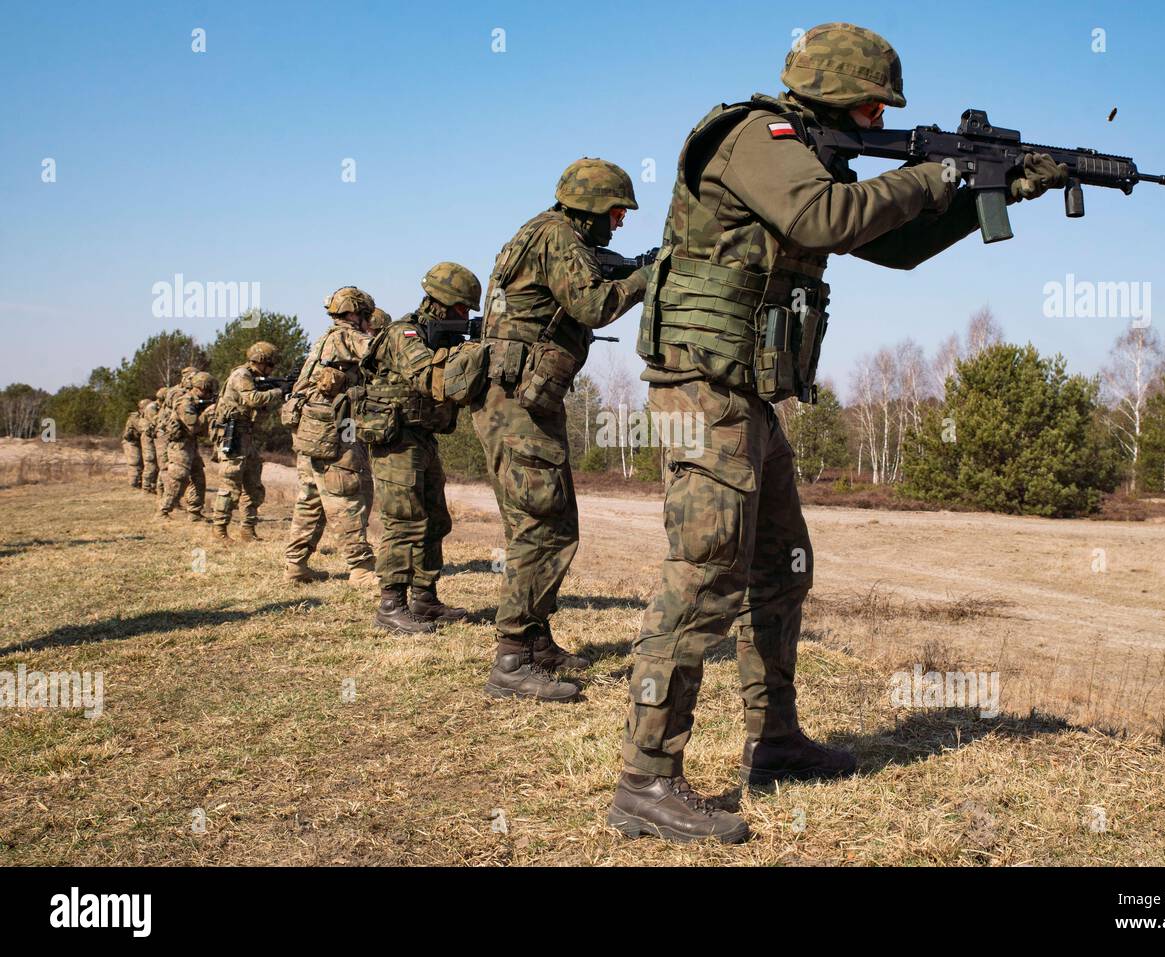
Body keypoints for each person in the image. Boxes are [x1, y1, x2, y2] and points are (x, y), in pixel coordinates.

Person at [608, 21, 1068, 843]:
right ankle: (646, 779)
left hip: (747, 395)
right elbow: (824, 219)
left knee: (783, 568)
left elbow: (889, 246)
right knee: (703, 579)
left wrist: (982, 192)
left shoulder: (812, 158)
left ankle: (773, 741)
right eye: (868, 105)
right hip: (701, 389)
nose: (873, 120)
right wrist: (936, 172)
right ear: (832, 91)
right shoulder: (757, 135)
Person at [471, 159, 650, 701]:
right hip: (519, 403)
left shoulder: (537, 231)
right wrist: (647, 275)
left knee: (544, 518)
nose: (619, 223)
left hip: (517, 398)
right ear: (593, 206)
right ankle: (511, 659)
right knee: (543, 526)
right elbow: (594, 306)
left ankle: (535, 639)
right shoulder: (559, 237)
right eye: (617, 211)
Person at [361, 265, 477, 632]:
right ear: (441, 303)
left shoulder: (439, 336)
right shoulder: (404, 333)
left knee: (436, 519)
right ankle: (391, 604)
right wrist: (473, 353)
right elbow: (428, 376)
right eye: (462, 310)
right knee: (404, 522)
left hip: (422, 436)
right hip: (395, 439)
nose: (466, 317)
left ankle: (425, 598)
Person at [283, 287, 379, 590]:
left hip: (310, 434)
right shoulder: (347, 336)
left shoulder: (324, 338)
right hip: (332, 434)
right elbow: (383, 354)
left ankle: (295, 564)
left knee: (310, 500)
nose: (367, 322)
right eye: (365, 316)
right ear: (354, 313)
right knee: (345, 496)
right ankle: (360, 568)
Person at [212, 342, 283, 540]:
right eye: (270, 365)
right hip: (233, 436)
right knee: (230, 484)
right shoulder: (242, 375)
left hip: (247, 437)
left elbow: (260, 408)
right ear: (262, 361)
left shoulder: (254, 378)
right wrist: (279, 392)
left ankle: (248, 530)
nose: (272, 370)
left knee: (254, 487)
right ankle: (219, 530)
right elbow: (252, 399)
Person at [157, 372, 216, 522]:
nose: (209, 393)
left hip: (191, 445)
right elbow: (193, 427)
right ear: (199, 387)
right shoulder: (184, 402)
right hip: (179, 446)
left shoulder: (198, 402)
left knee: (198, 477)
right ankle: (163, 511)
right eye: (207, 390)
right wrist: (207, 414)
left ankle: (195, 512)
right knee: (179, 478)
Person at [121, 401, 146, 489]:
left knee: (141, 463)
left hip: (138, 442)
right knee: (135, 463)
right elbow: (141, 428)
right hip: (131, 442)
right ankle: (133, 484)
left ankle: (138, 483)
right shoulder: (135, 417)